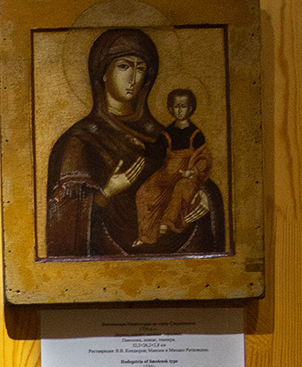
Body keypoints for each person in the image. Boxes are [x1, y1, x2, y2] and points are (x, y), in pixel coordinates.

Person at [45, 28, 225, 257]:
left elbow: (186, 171)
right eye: (124, 66)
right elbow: (60, 215)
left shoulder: (162, 134)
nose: (133, 78)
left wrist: (205, 196)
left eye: (140, 69)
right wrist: (107, 192)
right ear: (103, 73)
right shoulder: (80, 139)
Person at [135, 89, 213, 247]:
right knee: (144, 192)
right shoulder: (168, 132)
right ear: (170, 108)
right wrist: (141, 145)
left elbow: (204, 158)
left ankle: (167, 223)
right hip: (167, 175)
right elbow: (156, 151)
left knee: (181, 188)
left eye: (183, 106)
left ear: (190, 108)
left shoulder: (196, 134)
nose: (180, 110)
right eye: (176, 106)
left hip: (187, 176)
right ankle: (147, 235)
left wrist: (193, 171)